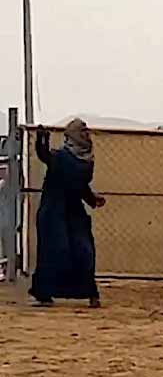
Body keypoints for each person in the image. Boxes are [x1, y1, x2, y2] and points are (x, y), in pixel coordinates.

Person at [31, 119, 105, 308]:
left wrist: (91, 199)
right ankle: (44, 293)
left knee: (84, 250)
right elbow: (44, 155)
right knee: (55, 251)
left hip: (73, 211)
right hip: (53, 210)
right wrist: (41, 141)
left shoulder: (88, 160)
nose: (86, 134)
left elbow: (80, 185)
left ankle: (90, 292)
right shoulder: (61, 157)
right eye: (81, 131)